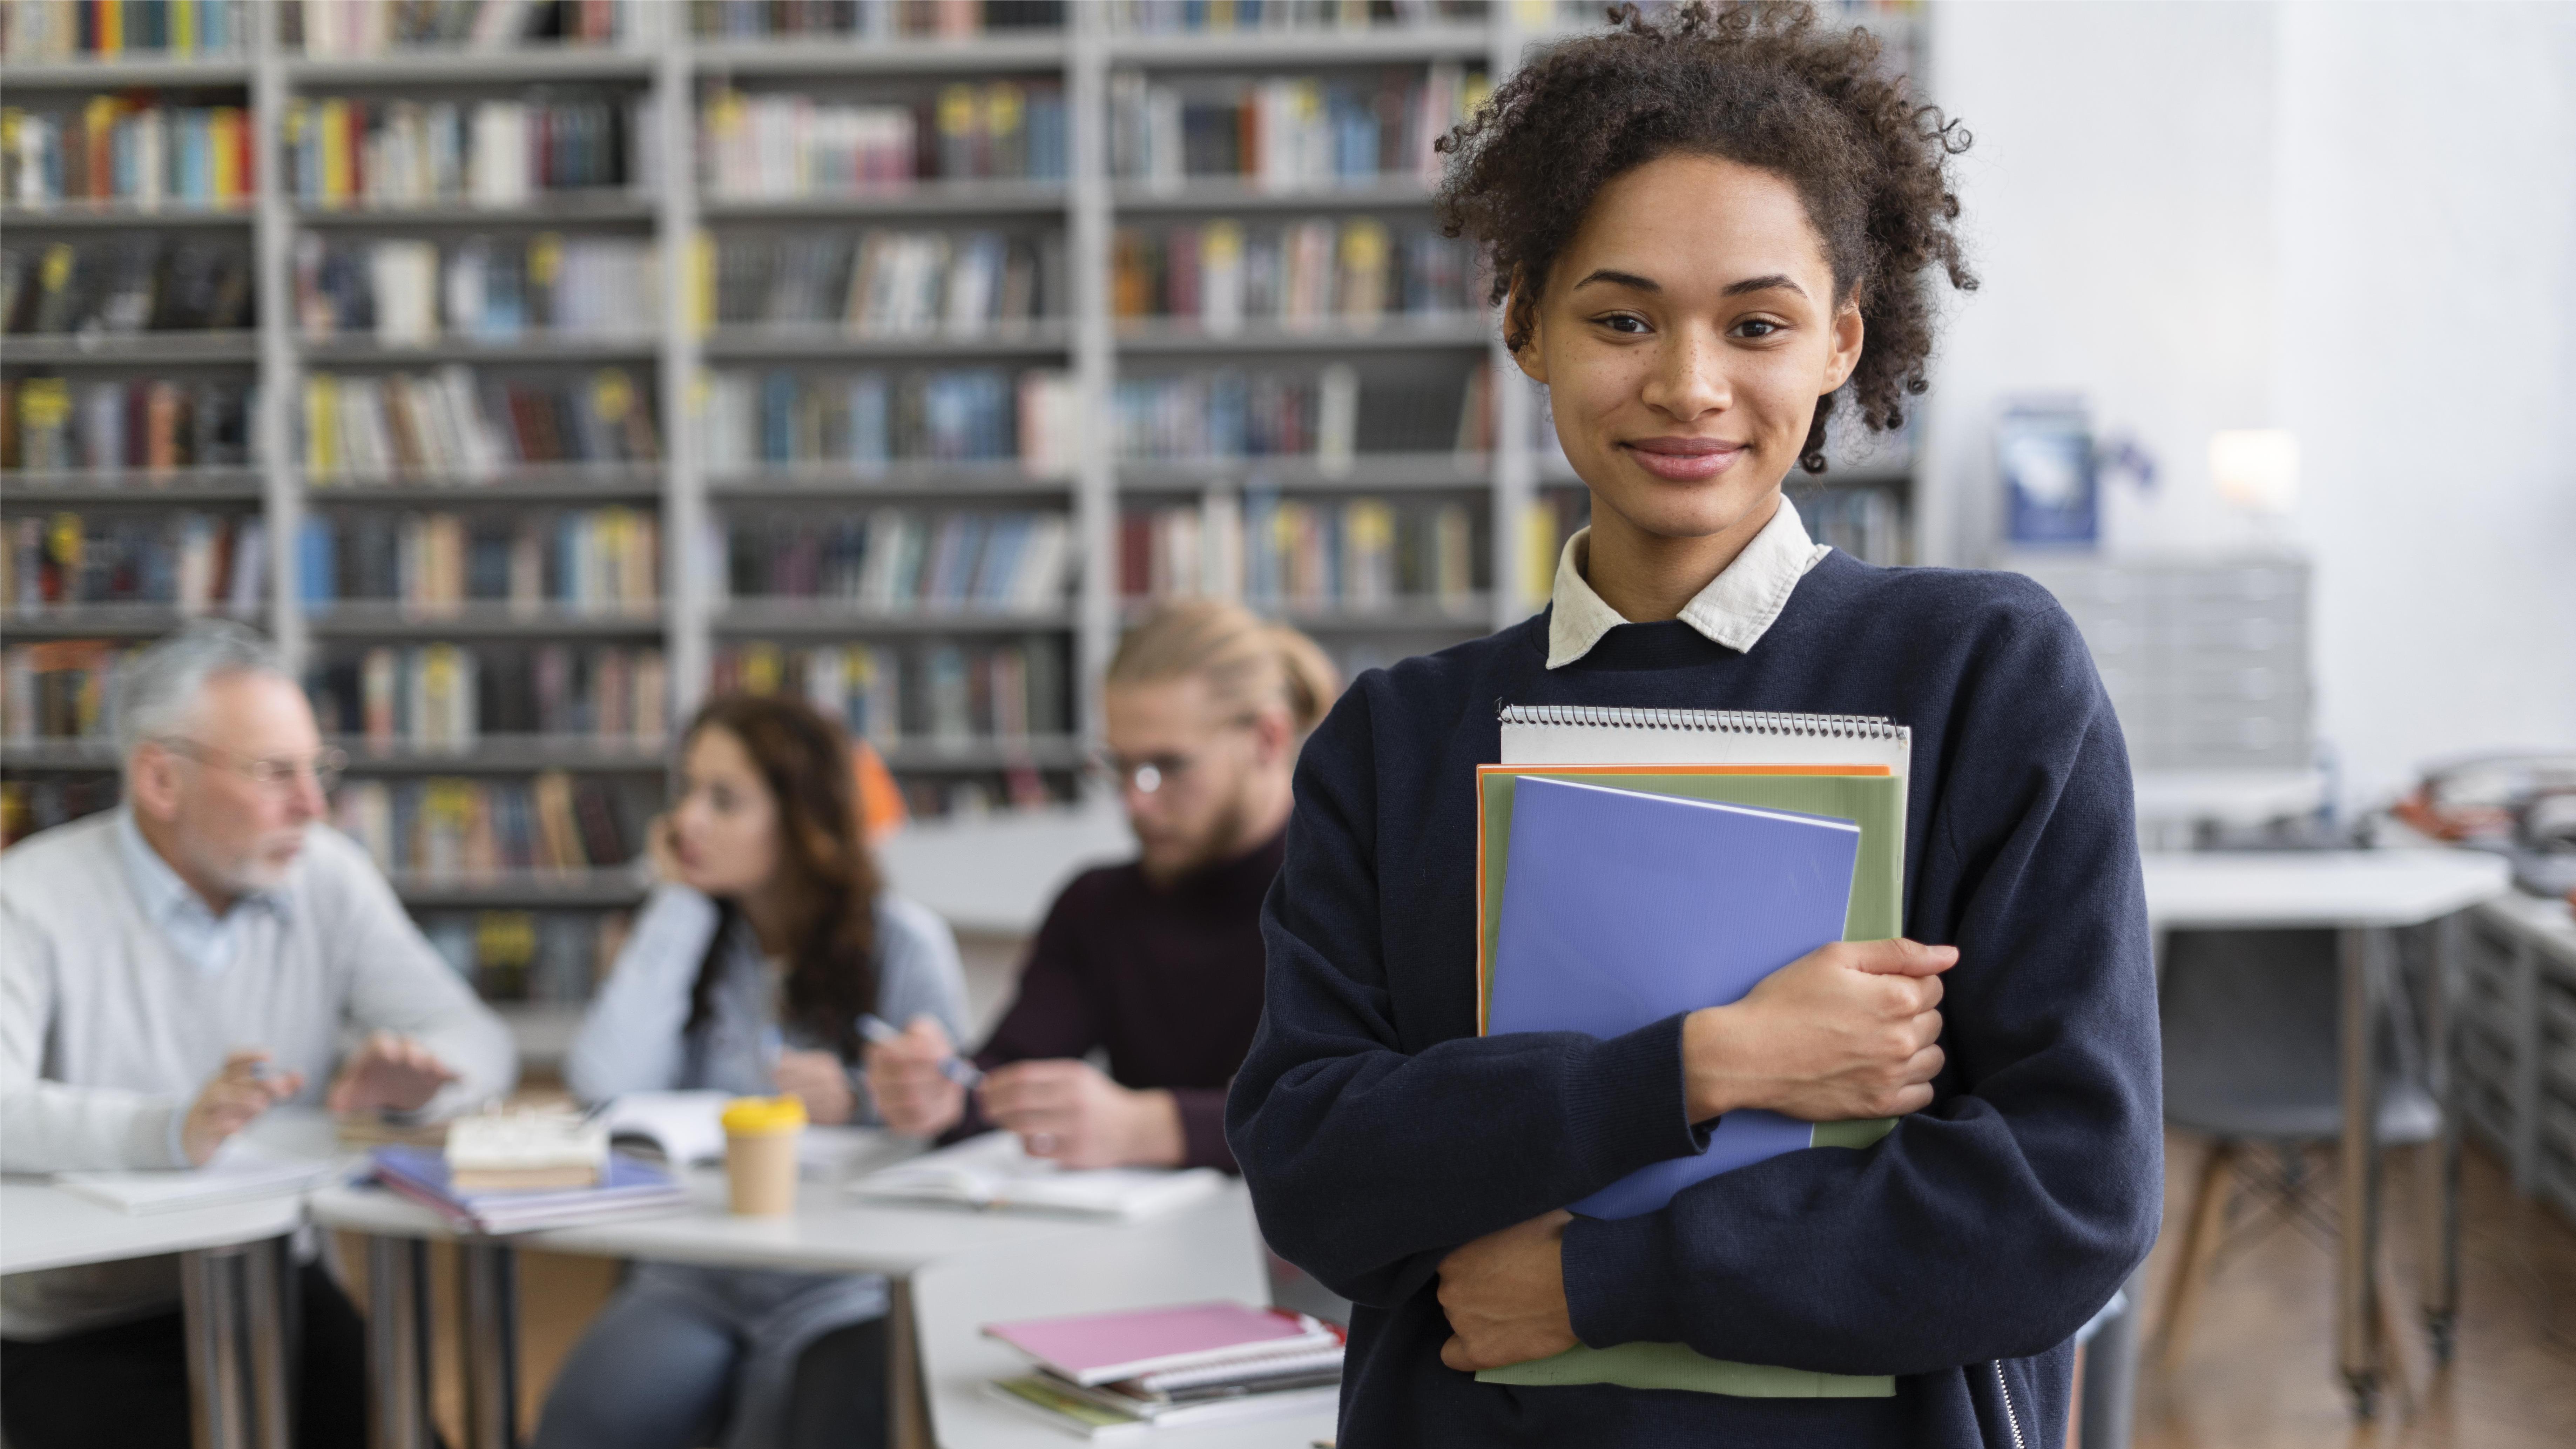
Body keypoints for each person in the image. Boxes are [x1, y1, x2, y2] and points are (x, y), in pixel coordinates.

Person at [1223, 6, 2162, 1447]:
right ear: (1525, 321)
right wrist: (1705, 1064)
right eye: (1620, 317)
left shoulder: (1984, 674)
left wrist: (1604, 1279)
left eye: (1758, 323)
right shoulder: (1394, 739)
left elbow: (2063, 1201)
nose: (1688, 383)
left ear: (1842, 338)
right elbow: (1316, 1176)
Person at [0, 620, 519, 1449]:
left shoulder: (325, 873)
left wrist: (428, 1072)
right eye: (277, 773)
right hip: (84, 1319)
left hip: (276, 1282)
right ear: (161, 779)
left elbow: (476, 1034)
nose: (314, 804)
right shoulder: (29, 897)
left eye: (318, 769)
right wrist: (169, 1127)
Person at [537, 693, 968, 1449]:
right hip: (696, 1268)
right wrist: (677, 902)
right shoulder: (694, 929)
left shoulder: (905, 941)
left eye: (724, 800)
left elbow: (952, 1113)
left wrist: (868, 1095)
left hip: (841, 1281)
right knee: (584, 1420)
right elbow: (602, 1084)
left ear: (799, 816)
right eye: (687, 791)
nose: (687, 822)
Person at [869, 601, 1337, 1173]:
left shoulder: (1349, 903)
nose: (1134, 802)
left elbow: (1368, 1118)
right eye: (1120, 766)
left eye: (1167, 766)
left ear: (1268, 738)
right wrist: (936, 1093)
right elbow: (1001, 1079)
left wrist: (1154, 1128)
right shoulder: (1096, 906)